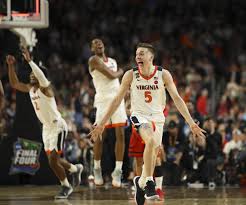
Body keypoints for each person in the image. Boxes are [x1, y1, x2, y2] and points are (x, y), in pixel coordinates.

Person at [89, 42, 206, 204]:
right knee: (150, 140)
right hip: (139, 116)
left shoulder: (163, 75)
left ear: (151, 57)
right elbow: (117, 100)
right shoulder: (130, 75)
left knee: (153, 151)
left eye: (142, 53)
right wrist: (101, 123)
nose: (138, 56)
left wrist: (191, 123)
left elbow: (177, 99)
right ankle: (149, 181)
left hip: (158, 118)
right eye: (137, 54)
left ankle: (141, 181)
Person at [6, 48, 83, 199]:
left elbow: (41, 76)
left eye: (34, 73)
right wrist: (10, 65)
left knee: (53, 160)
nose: (32, 74)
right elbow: (14, 83)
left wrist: (30, 61)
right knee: (53, 161)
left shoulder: (46, 89)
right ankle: (75, 168)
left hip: (57, 126)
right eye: (31, 73)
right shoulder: (30, 89)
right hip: (46, 128)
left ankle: (66, 186)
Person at [88, 38, 127, 187]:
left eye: (100, 42)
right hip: (103, 100)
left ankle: (117, 171)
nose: (98, 44)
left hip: (117, 99)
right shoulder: (93, 60)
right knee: (100, 135)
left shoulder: (112, 60)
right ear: (92, 49)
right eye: (94, 43)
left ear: (104, 45)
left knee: (121, 134)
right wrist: (122, 72)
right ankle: (97, 168)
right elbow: (112, 75)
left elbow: (115, 81)